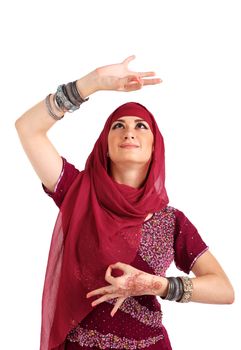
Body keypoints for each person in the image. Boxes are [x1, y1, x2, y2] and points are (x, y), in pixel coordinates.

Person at [15, 56, 234, 350]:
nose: (129, 131)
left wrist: (156, 284)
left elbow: (224, 289)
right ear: (105, 143)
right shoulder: (77, 192)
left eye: (141, 126)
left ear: (156, 145)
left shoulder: (171, 221)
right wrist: (91, 83)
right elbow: (27, 128)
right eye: (118, 125)